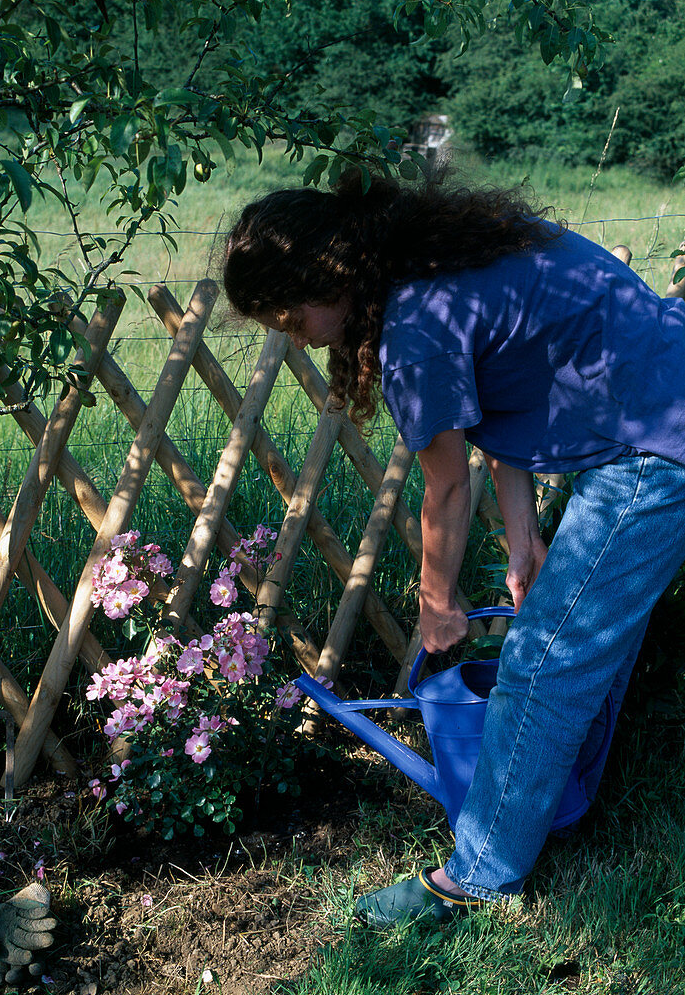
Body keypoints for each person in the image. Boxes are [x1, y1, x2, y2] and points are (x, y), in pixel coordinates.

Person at [223, 168, 685, 927]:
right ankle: (561, 807)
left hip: (650, 442)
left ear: (325, 277)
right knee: (580, 637)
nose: (283, 327)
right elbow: (503, 405)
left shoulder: (414, 330)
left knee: (540, 660)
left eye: (283, 308)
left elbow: (441, 488)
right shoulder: (438, 261)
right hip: (650, 405)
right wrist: (521, 538)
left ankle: (478, 875)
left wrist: (436, 605)